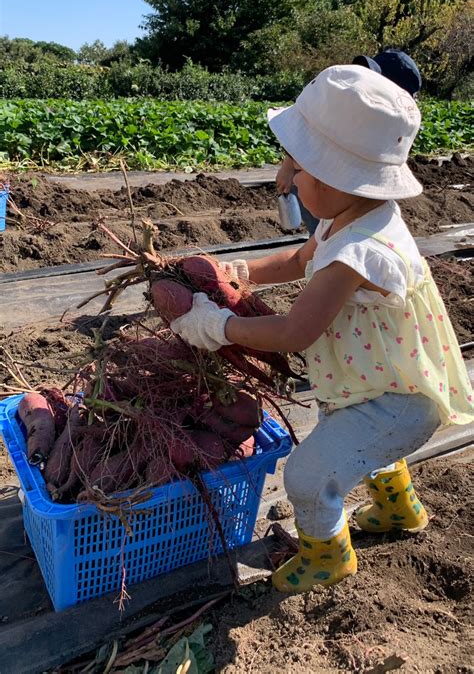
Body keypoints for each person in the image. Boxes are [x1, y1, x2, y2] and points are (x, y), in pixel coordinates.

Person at [170, 65, 472, 593]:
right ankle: (401, 508)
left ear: (336, 177)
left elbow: (293, 333)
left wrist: (218, 326)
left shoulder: (361, 253)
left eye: (296, 166)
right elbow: (298, 258)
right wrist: (241, 272)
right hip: (375, 381)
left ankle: (327, 555)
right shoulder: (346, 217)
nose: (285, 177)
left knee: (308, 475)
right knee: (353, 442)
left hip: (397, 401)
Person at [276, 49, 422, 236]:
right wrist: (289, 165)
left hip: (334, 192)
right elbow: (311, 129)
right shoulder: (352, 99)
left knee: (338, 236)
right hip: (320, 182)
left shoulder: (384, 125)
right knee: (324, 237)